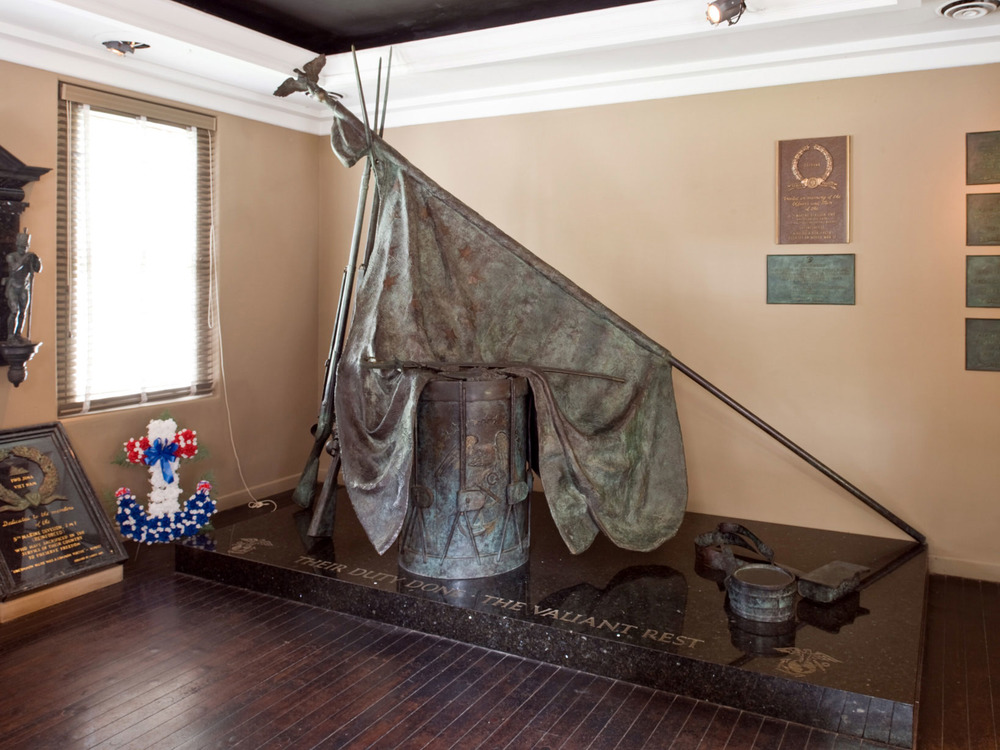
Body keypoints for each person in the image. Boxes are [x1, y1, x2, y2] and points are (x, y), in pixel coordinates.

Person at [5, 230, 41, 341]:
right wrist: (25, 258)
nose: (23, 249)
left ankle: (18, 334)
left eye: (25, 247)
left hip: (24, 287)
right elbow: (15, 267)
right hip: (13, 287)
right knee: (15, 310)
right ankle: (10, 335)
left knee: (23, 312)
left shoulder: (28, 257)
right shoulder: (11, 257)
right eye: (21, 246)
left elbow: (37, 269)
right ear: (17, 245)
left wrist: (37, 260)